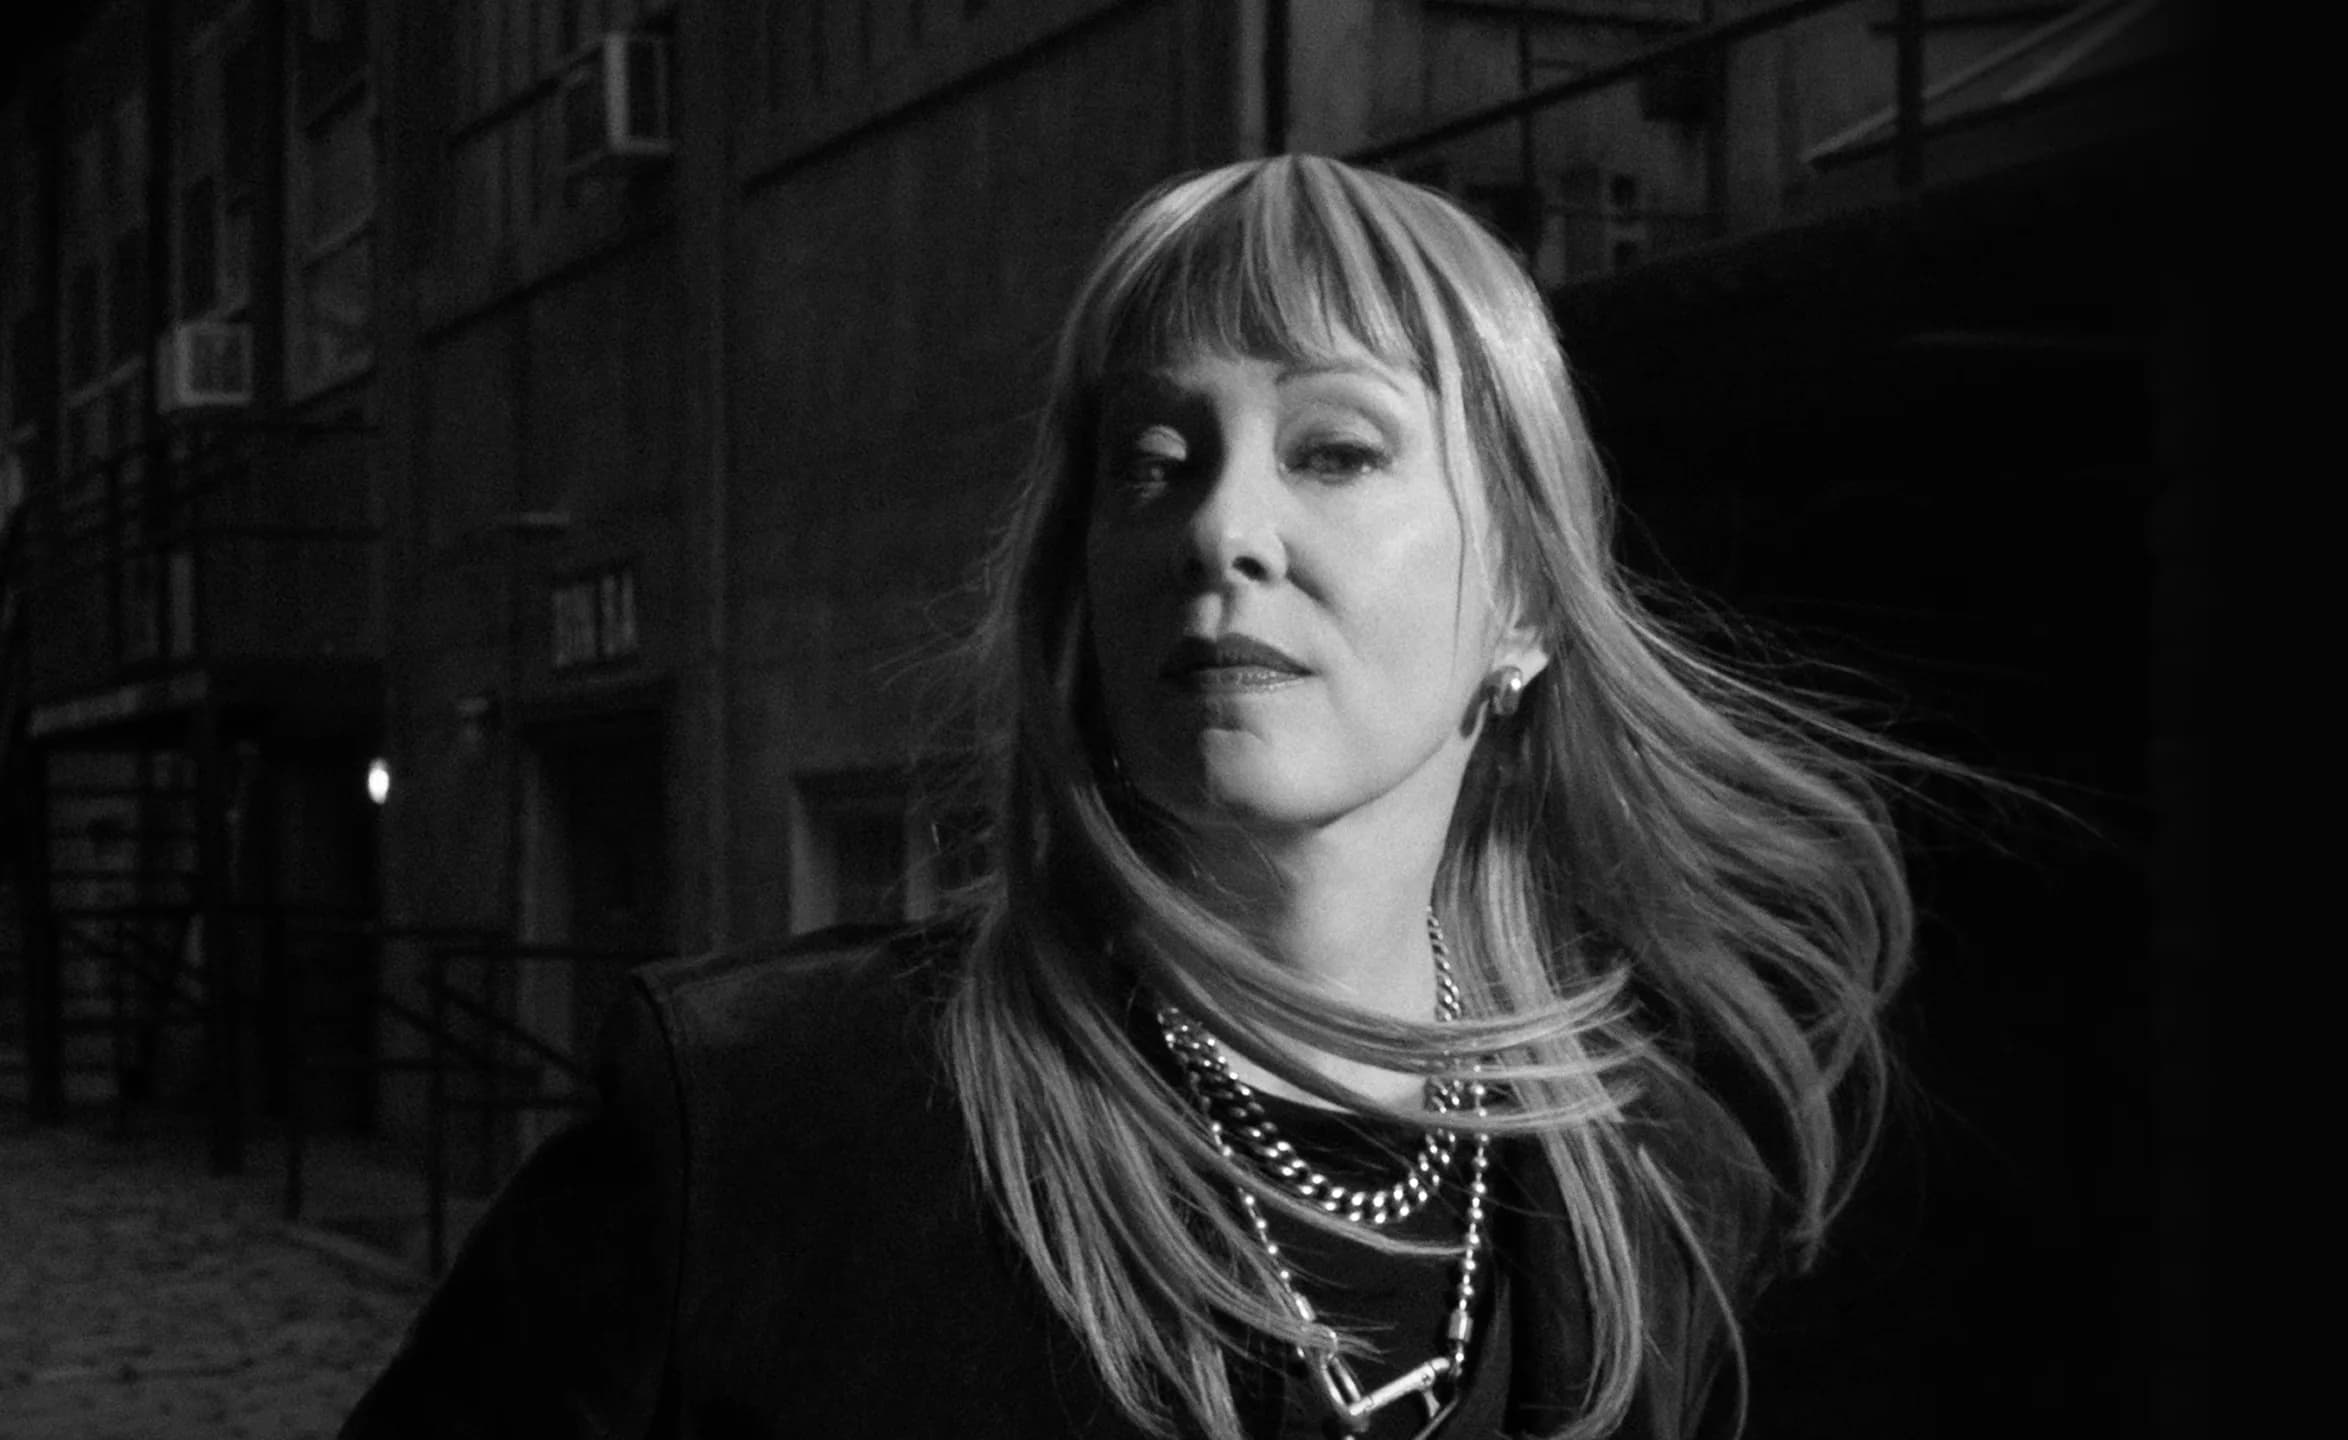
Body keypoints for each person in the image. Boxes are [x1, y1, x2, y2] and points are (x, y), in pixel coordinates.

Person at [339, 154, 1917, 1440]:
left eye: (1336, 450)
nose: (1221, 528)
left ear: (1524, 603)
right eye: (1155, 460)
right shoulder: (767, 1121)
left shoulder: (1659, 1188)